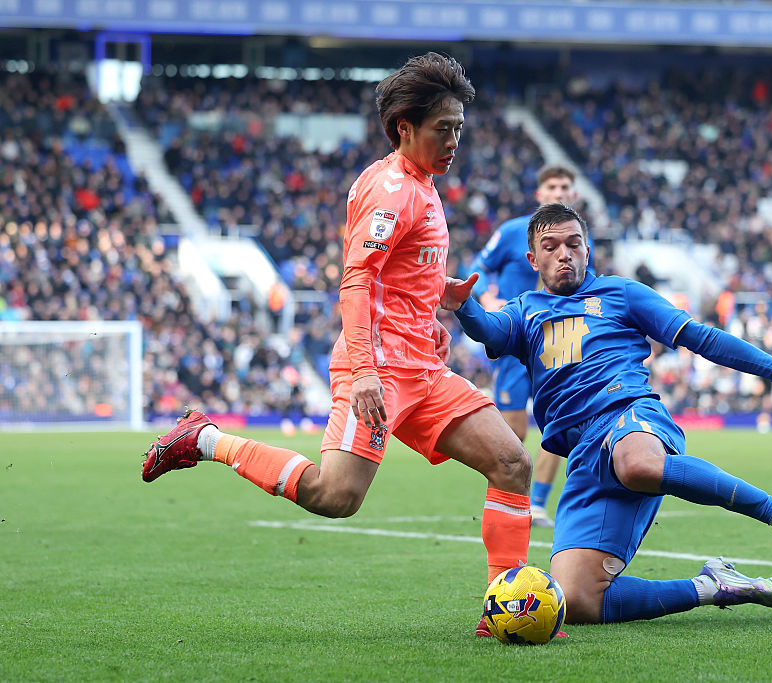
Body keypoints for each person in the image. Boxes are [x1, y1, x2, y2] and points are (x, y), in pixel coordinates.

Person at [141, 53, 539, 638]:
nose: (455, 139)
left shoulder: (421, 185)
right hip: (376, 368)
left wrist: (434, 293)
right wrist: (364, 371)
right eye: (443, 128)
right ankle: (205, 439)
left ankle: (504, 611)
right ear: (405, 128)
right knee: (335, 496)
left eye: (459, 127)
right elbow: (356, 281)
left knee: (511, 463)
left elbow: (396, 273)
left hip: (422, 369)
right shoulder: (392, 192)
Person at [441, 203, 772, 625]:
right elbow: (488, 329)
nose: (564, 254)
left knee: (637, 464)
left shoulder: (621, 293)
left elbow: (703, 338)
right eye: (550, 247)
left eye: (573, 244)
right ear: (533, 259)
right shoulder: (525, 311)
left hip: (629, 415)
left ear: (588, 250)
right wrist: (462, 304)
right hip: (584, 457)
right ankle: (711, 586)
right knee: (578, 600)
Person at [469, 164, 594, 527]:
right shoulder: (511, 233)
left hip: (558, 339)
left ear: (573, 193)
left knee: (559, 422)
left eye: (565, 186)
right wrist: (487, 299)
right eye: (552, 186)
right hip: (516, 337)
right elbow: (476, 270)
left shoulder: (581, 238)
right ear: (539, 194)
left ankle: (537, 504)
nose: (559, 192)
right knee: (513, 431)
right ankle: (510, 500)